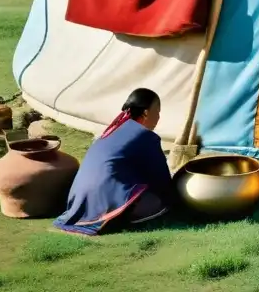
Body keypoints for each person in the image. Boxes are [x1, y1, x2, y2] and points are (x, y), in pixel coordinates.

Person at [54, 88, 173, 236]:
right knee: (162, 202)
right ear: (146, 112)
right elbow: (161, 177)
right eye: (158, 111)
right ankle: (116, 219)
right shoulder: (146, 136)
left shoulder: (112, 130)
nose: (159, 117)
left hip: (78, 203)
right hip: (104, 200)